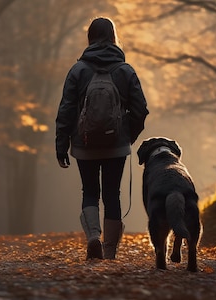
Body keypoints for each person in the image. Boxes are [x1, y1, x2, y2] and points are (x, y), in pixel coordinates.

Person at [55, 17, 149, 260]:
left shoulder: (78, 70)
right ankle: (109, 251)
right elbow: (141, 109)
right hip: (116, 145)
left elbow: (66, 109)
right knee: (112, 194)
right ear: (113, 36)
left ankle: (93, 237)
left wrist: (61, 145)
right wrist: (128, 135)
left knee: (89, 191)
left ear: (90, 37)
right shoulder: (125, 71)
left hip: (83, 143)